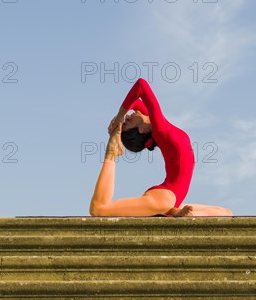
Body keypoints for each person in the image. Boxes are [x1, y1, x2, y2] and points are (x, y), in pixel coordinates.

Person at [89, 78, 232, 217]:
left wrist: (118, 120)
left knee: (226, 213)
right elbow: (141, 85)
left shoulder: (154, 125)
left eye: (125, 120)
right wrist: (119, 117)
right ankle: (111, 155)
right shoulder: (160, 129)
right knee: (99, 208)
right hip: (164, 198)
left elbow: (136, 101)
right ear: (141, 130)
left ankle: (175, 213)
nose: (126, 117)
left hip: (173, 201)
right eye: (126, 123)